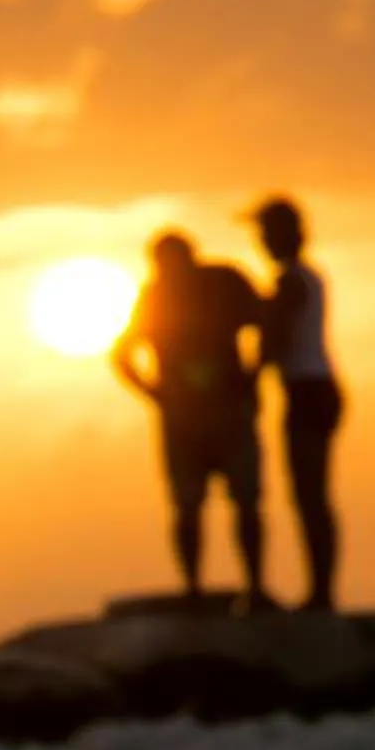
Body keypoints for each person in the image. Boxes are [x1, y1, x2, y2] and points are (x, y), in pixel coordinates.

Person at [111, 230, 272, 606]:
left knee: (239, 502)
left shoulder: (222, 282)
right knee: (192, 506)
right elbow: (122, 354)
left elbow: (266, 325)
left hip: (222, 412)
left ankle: (250, 587)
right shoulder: (157, 295)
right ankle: (198, 589)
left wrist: (252, 374)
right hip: (190, 417)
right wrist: (158, 394)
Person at [252, 196, 344, 613]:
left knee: (310, 495)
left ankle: (321, 593)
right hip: (315, 388)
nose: (261, 240)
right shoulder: (307, 277)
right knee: (312, 494)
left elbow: (276, 339)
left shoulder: (291, 281)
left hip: (307, 392)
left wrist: (248, 377)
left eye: (265, 232)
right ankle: (321, 590)